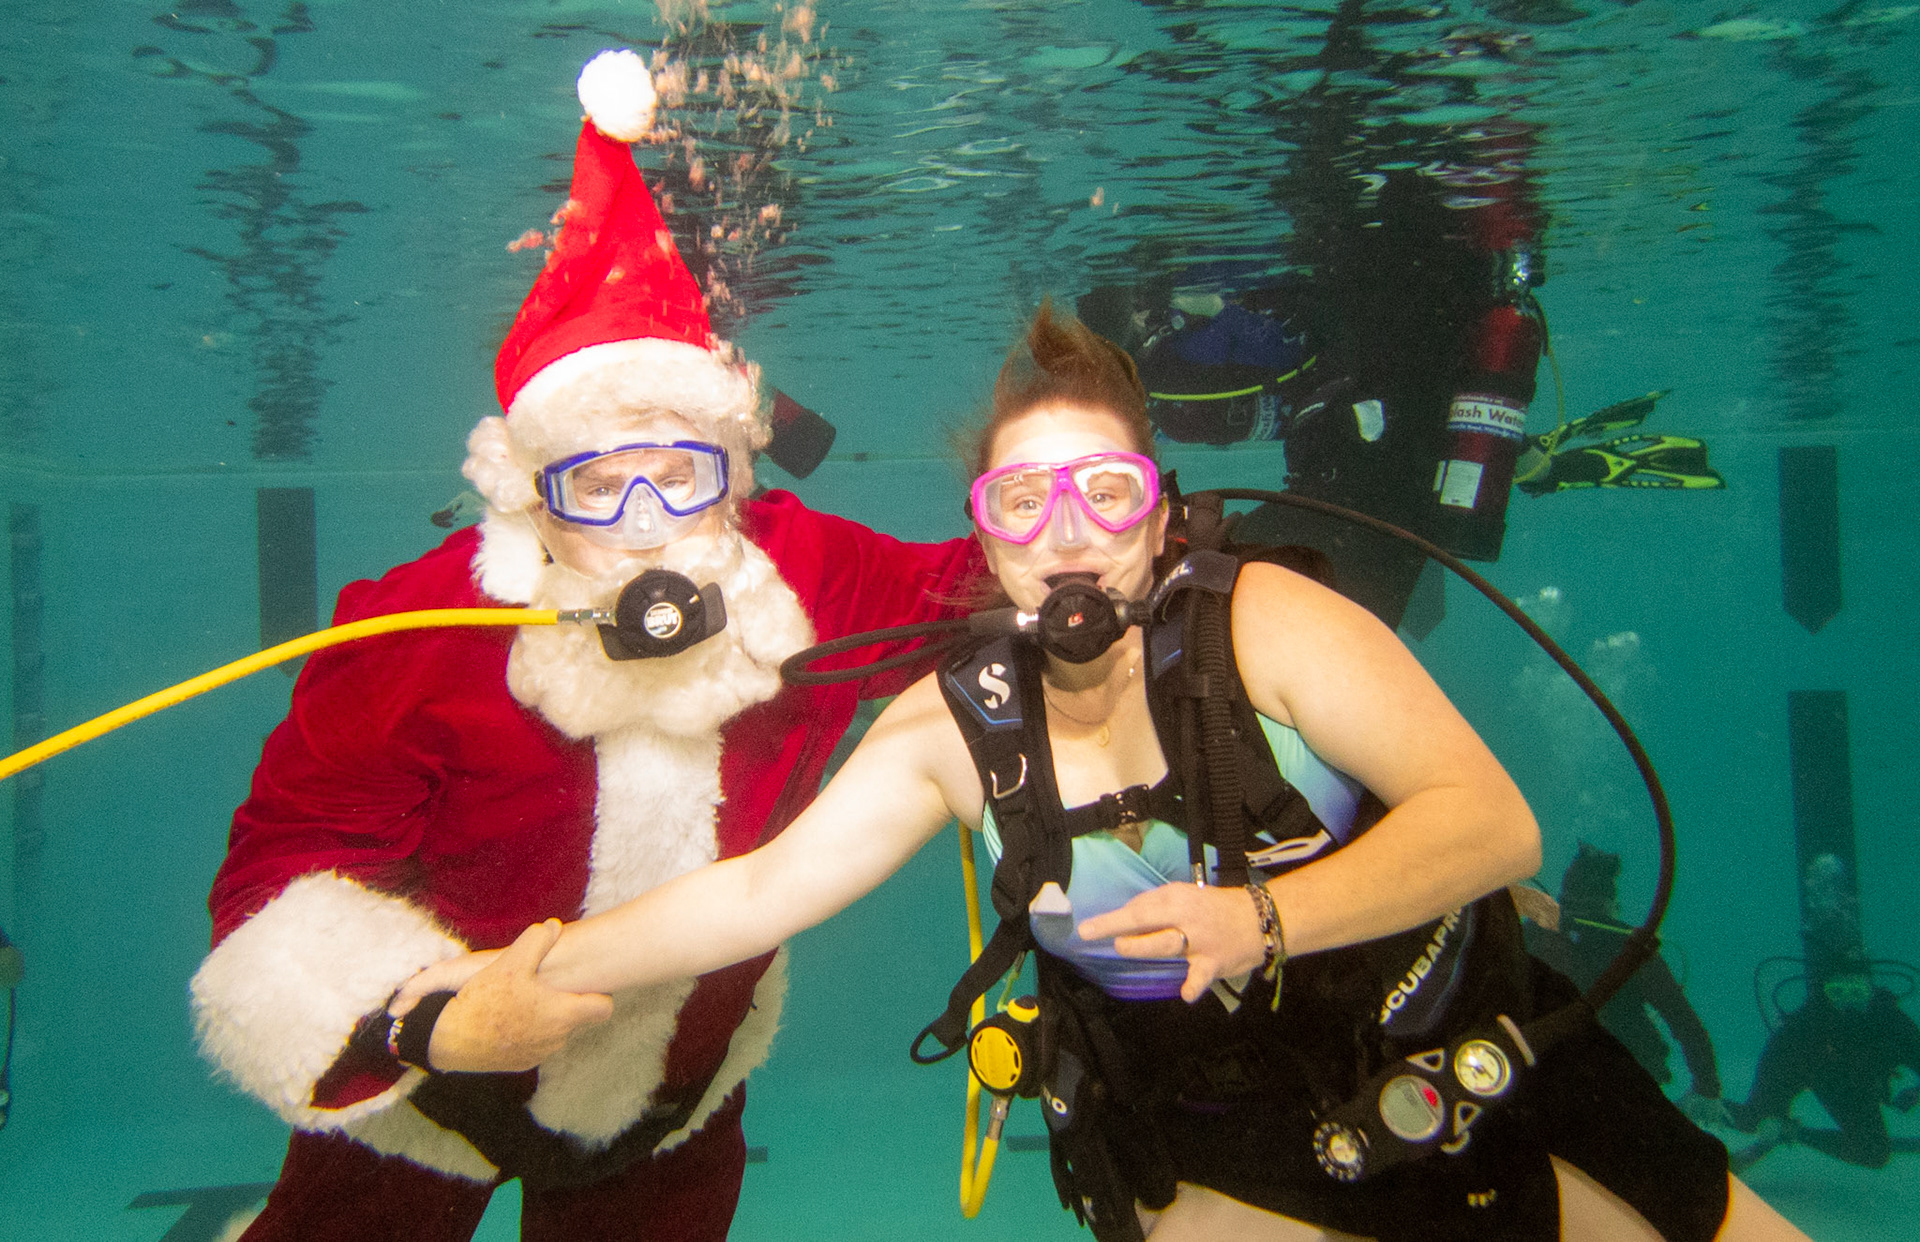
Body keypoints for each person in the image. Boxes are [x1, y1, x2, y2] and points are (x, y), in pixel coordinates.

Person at [400, 306, 1804, 1242]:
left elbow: (1491, 823)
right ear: (987, 543)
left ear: (1162, 519)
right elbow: (757, 892)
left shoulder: (1271, 624)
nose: (1067, 536)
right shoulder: (955, 728)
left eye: (1106, 494)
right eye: (1024, 503)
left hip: (1473, 1063)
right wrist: (505, 979)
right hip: (1210, 1137)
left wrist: (1260, 918)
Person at [187, 50, 979, 1242]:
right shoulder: (418, 632)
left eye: (681, 474)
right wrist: (427, 1024)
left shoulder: (804, 570)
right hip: (421, 1100)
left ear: (735, 477)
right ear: (529, 495)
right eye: (597, 485)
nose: (648, 523)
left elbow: (978, 592)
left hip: (674, 1109)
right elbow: (275, 884)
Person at [1524, 843, 1726, 1119]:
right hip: (1623, 1086)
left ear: (1562, 896)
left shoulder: (1533, 936)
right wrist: (1707, 1088)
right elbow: (1685, 1023)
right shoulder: (1632, 948)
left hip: (1546, 1081)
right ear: (1609, 901)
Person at [1729, 962, 1920, 1172]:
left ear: (1871, 991)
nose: (1847, 1003)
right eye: (1836, 992)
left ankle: (1790, 1132)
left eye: (1857, 992)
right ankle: (1701, 1105)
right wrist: (1770, 1112)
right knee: (1752, 1121)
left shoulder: (1891, 1023)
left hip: (1847, 1086)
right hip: (1804, 1071)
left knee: (1873, 1151)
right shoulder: (1803, 1025)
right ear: (1823, 992)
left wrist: (1916, 1092)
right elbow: (1775, 1064)